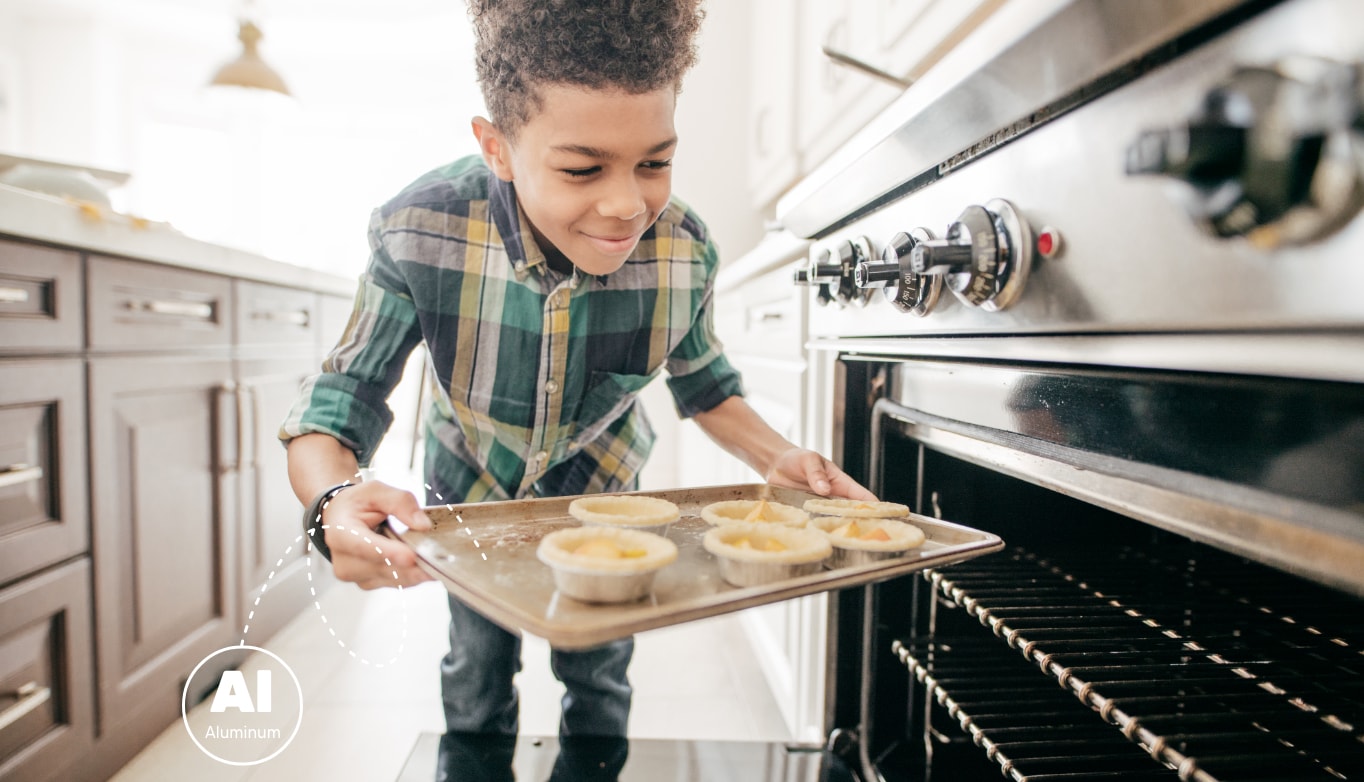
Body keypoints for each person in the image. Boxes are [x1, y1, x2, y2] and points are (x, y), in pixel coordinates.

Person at [280, 0, 875, 745]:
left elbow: (707, 386)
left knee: (598, 671)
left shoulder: (685, 251)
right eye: (582, 168)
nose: (629, 205)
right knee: (475, 665)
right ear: (496, 148)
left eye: (655, 162)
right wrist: (332, 499)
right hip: (466, 493)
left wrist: (777, 456)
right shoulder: (421, 229)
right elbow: (345, 397)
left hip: (603, 493)